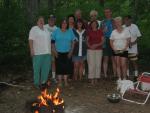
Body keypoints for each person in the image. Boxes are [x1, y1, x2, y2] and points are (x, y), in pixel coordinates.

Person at [51, 19, 76, 87]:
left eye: (65, 23)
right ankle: (60, 82)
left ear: (67, 24)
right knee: (59, 67)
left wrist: (71, 51)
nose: (64, 24)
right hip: (58, 52)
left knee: (66, 67)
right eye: (63, 23)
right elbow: (52, 42)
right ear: (61, 24)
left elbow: (73, 41)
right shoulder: (56, 31)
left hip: (67, 52)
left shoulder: (70, 31)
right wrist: (54, 51)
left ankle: (65, 81)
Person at [29, 16, 51, 88]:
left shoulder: (46, 29)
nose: (42, 21)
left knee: (46, 69)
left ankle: (43, 83)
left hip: (47, 53)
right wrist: (31, 49)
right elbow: (30, 39)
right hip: (38, 53)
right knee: (37, 69)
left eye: (43, 20)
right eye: (40, 20)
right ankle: (37, 83)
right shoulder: (34, 29)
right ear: (37, 22)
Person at [87, 20, 104, 85]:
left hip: (99, 49)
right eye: (92, 24)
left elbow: (103, 41)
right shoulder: (89, 32)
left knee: (98, 64)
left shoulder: (100, 31)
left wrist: (96, 45)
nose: (93, 25)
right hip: (90, 50)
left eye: (95, 23)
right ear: (91, 25)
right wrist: (90, 46)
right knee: (91, 64)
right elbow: (87, 41)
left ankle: (96, 78)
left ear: (97, 24)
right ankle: (92, 79)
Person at [101, 8, 116, 79]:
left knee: (113, 58)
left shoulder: (114, 21)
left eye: (108, 12)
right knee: (105, 58)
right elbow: (100, 33)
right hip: (105, 40)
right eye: (105, 12)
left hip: (114, 40)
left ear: (111, 12)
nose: (107, 13)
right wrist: (103, 31)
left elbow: (117, 29)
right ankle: (105, 75)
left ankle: (115, 74)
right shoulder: (103, 22)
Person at [44, 14, 57, 82]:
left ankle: (53, 77)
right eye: (50, 19)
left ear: (55, 20)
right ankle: (45, 77)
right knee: (45, 63)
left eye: (53, 19)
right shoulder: (44, 26)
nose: (51, 20)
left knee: (53, 62)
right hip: (44, 48)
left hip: (52, 48)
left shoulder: (57, 28)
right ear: (48, 20)